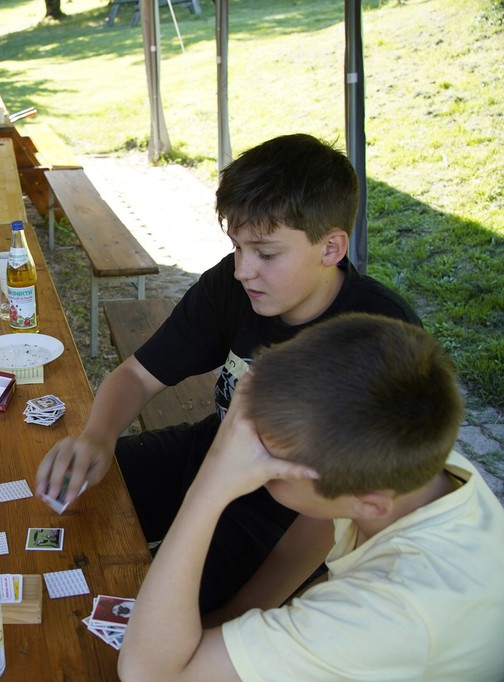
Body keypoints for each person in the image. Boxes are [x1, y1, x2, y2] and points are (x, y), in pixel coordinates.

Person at [36, 133, 422, 611]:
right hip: (210, 451)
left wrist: (238, 615)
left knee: (170, 616)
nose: (243, 270)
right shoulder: (233, 284)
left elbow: (329, 518)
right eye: (237, 247)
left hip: (285, 510)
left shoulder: (379, 335)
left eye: (265, 253)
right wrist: (98, 436)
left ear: (331, 248)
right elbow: (139, 374)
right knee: (72, 500)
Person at [117, 313, 504, 681]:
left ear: (368, 503)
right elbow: (323, 524)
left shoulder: (389, 611)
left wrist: (210, 486)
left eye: (272, 467)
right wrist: (234, 619)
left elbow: (148, 673)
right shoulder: (406, 464)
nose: (247, 461)